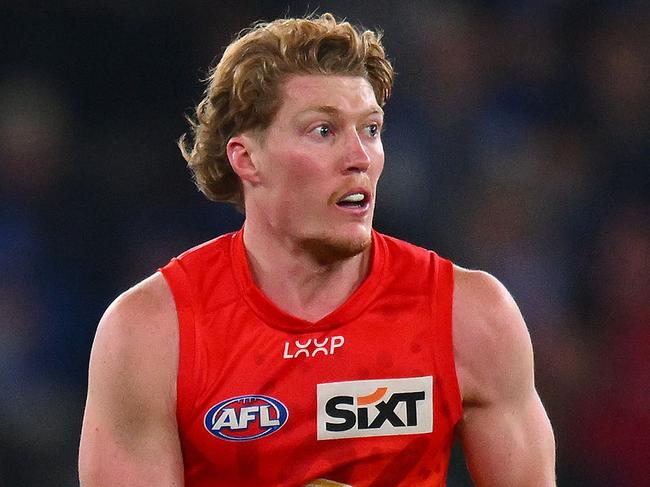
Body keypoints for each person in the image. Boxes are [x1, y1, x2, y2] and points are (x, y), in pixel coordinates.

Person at [79, 13, 555, 487]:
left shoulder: (468, 318)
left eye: (370, 129)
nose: (360, 158)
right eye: (323, 131)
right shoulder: (152, 334)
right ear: (247, 159)